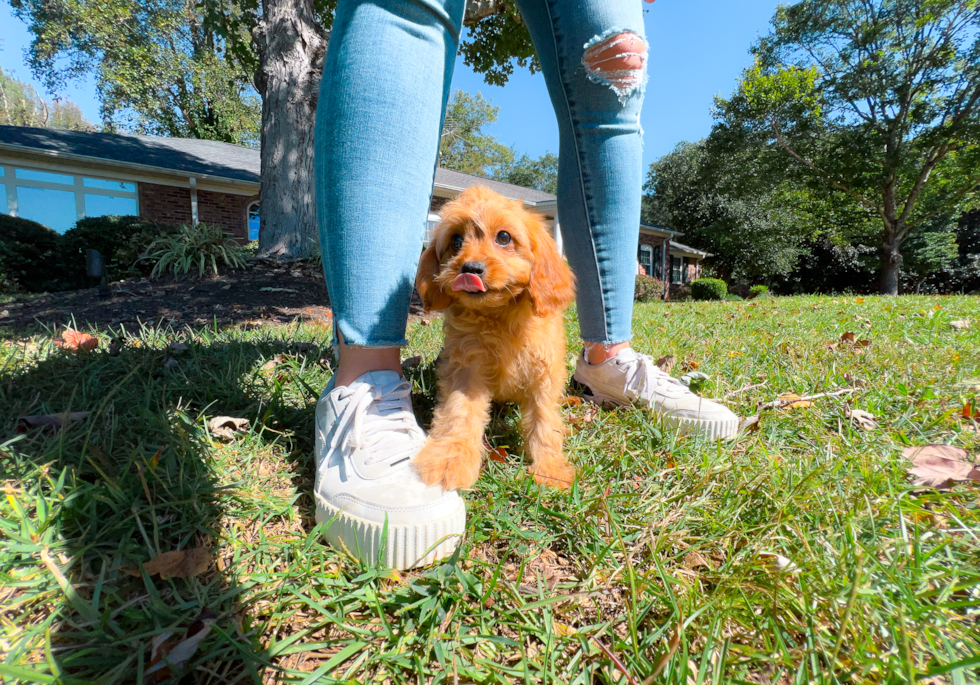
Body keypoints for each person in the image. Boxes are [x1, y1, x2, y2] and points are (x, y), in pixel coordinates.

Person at [312, 0, 738, 570]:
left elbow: (543, 393)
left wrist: (547, 456)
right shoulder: (462, 314)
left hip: (537, 358)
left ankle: (608, 356)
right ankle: (366, 382)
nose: (475, 258)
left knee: (615, 67)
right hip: (468, 360)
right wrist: (457, 439)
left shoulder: (542, 298)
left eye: (503, 241)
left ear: (538, 259)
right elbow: (464, 383)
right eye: (457, 242)